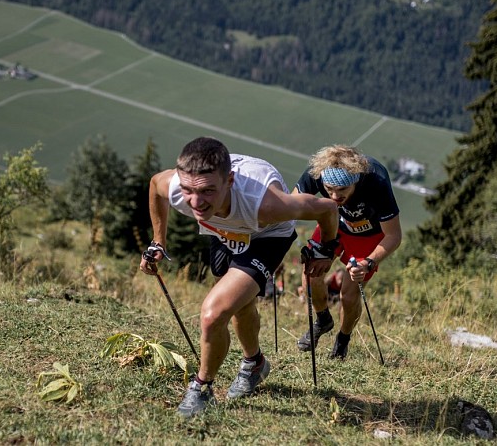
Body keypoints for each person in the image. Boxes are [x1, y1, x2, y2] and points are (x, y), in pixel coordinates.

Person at [139, 137, 339, 418]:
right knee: (240, 305)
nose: (196, 202)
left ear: (229, 181)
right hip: (224, 230)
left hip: (266, 234)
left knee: (213, 313)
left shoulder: (268, 205)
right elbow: (155, 186)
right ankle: (255, 363)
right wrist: (158, 241)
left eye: (208, 191)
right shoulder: (178, 189)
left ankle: (202, 388)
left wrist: (325, 250)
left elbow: (328, 209)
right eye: (188, 190)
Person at [295, 145, 401, 360]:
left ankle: (343, 339)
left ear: (356, 181)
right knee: (310, 275)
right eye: (329, 189)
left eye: (342, 190)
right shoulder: (317, 171)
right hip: (333, 226)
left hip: (368, 236)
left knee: (349, 294)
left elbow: (394, 236)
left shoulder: (375, 181)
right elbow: (291, 205)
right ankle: (323, 319)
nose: (334, 196)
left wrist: (369, 263)